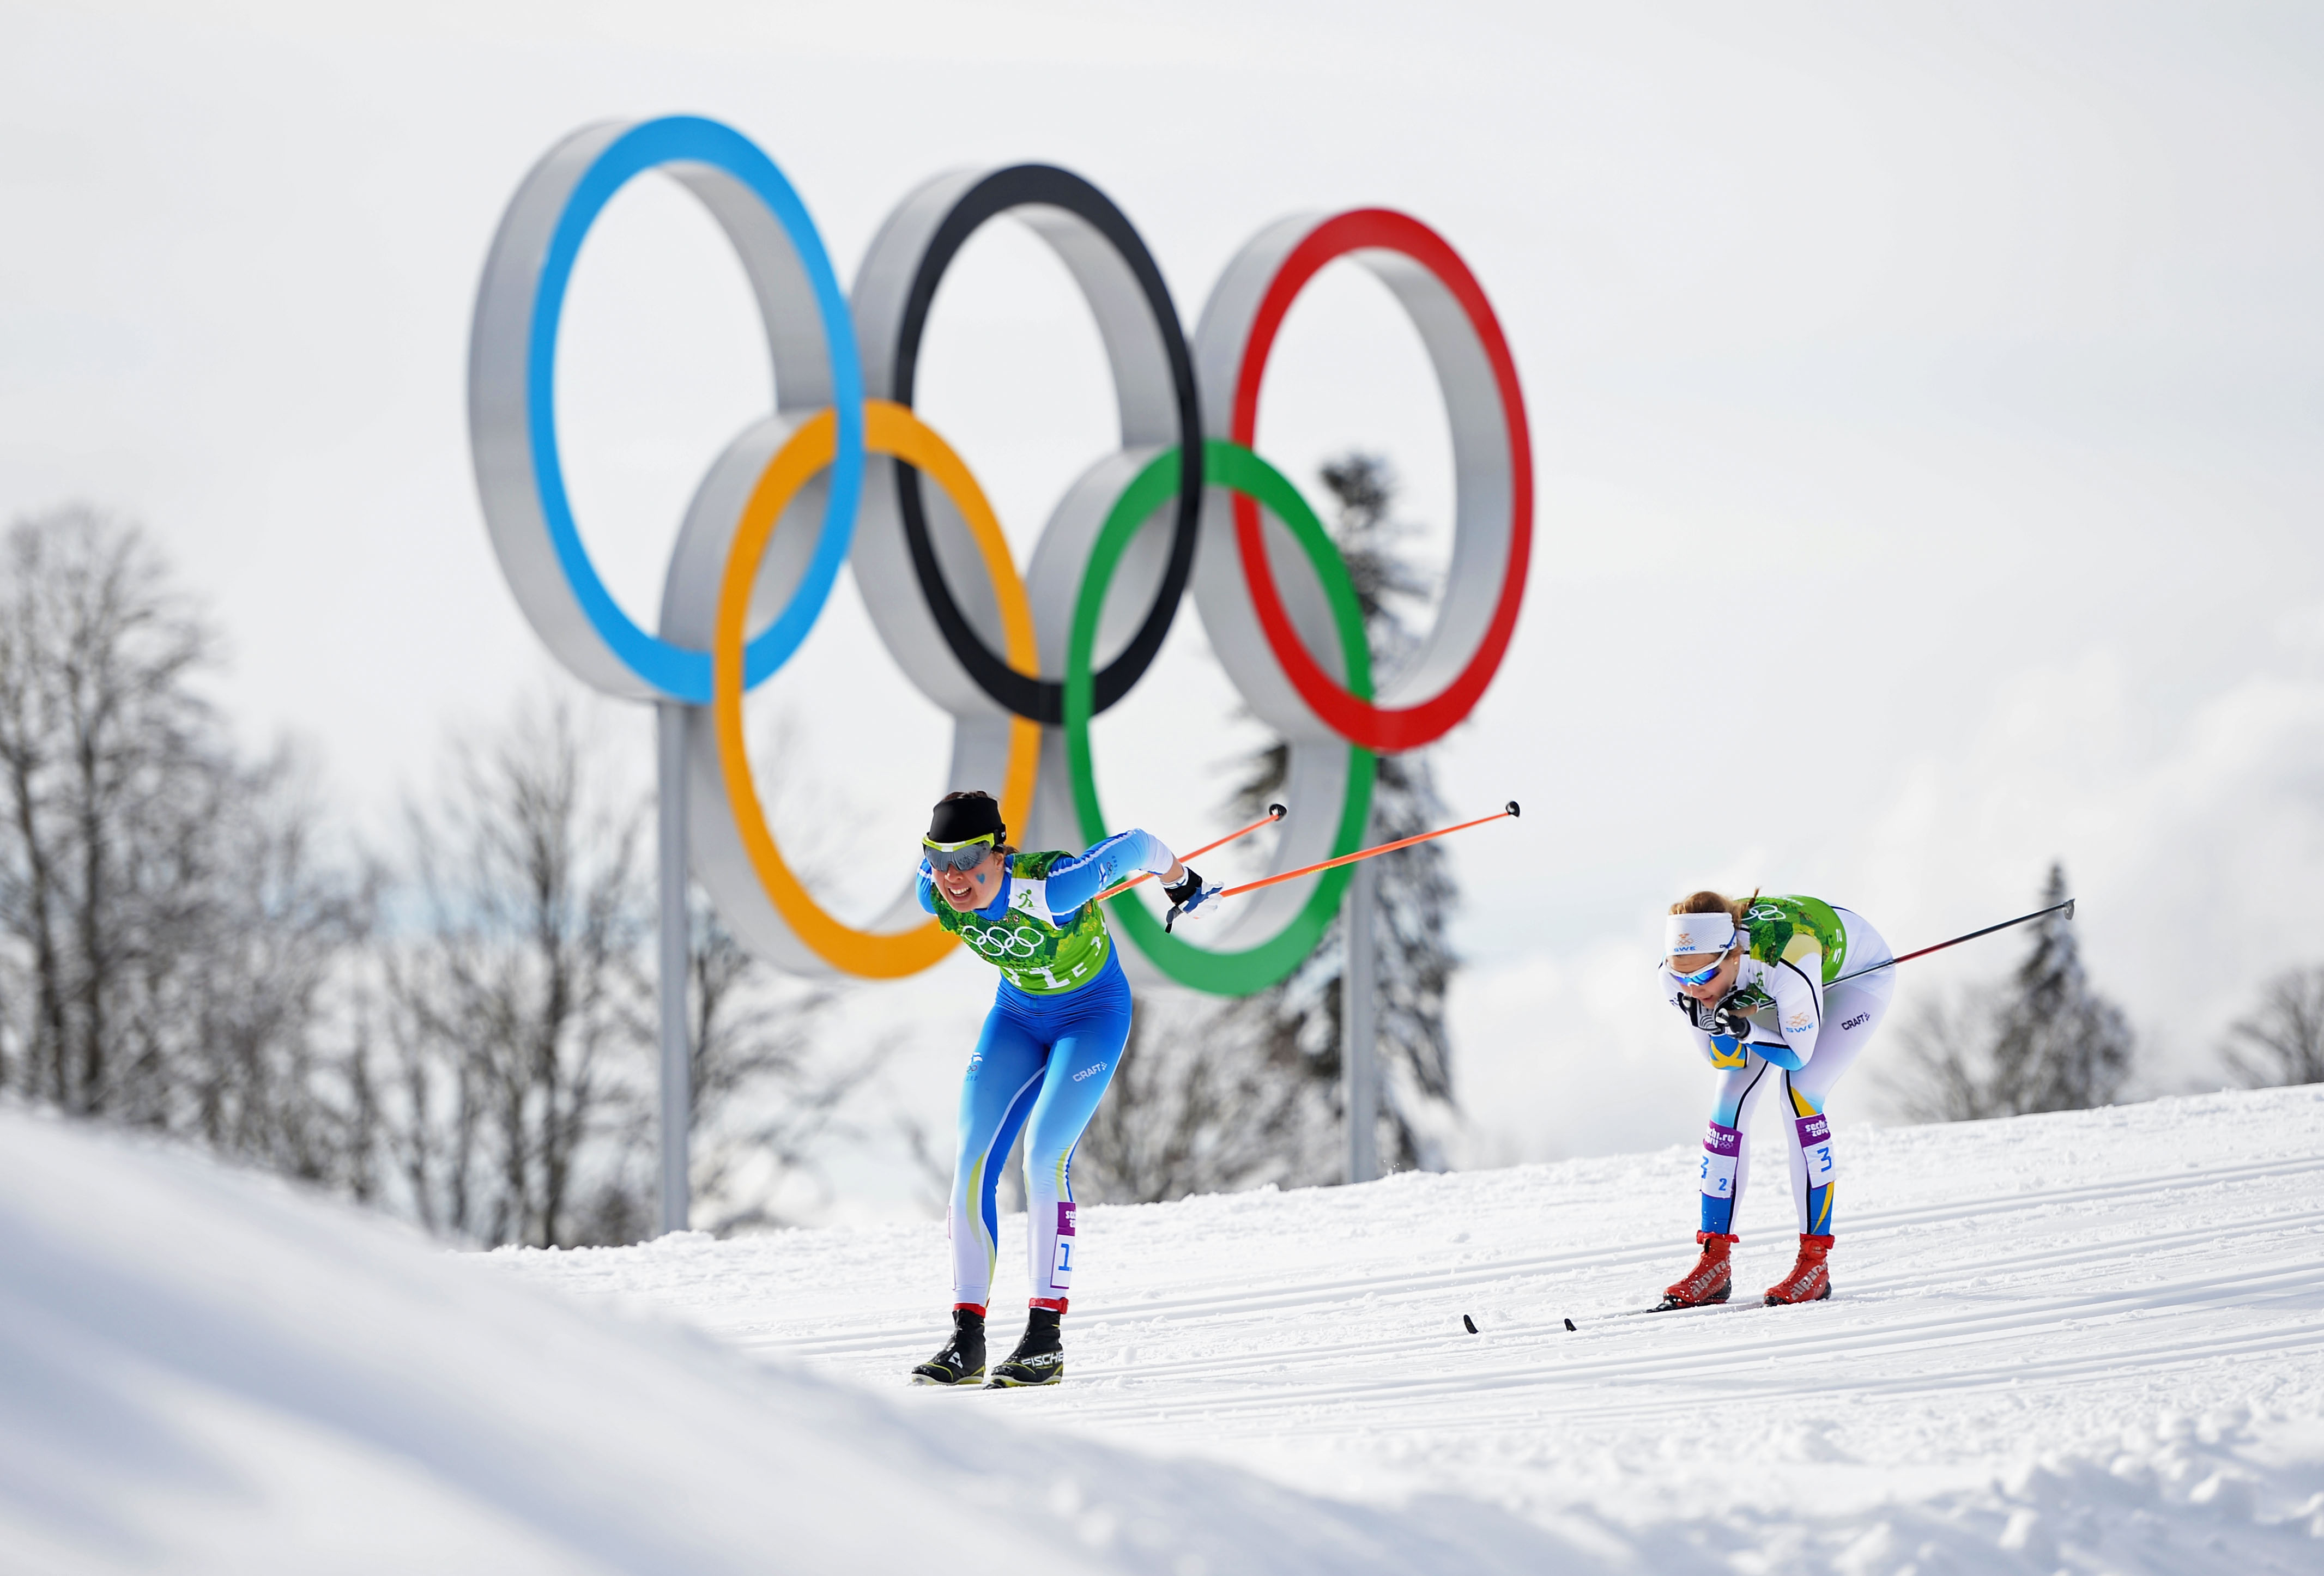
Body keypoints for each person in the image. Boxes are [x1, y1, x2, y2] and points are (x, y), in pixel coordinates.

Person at [908, 790, 1219, 1387]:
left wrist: (1183, 883)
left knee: (1044, 1158)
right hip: (1018, 1018)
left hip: (1092, 1017)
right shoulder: (933, 890)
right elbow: (936, 874)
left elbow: (1136, 846)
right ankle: (966, 1341)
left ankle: (1043, 1342)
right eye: (938, 860)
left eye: (968, 859)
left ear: (998, 852)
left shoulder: (1050, 890)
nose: (953, 878)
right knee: (971, 1158)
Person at [1657, 890, 1896, 1309]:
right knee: (1728, 1102)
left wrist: (1746, 1030)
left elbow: (1797, 1054)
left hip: (1852, 979)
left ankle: (1815, 1263)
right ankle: (1714, 1260)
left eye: (1702, 979)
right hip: (1760, 988)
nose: (1693, 991)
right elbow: (1724, 1063)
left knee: (1799, 1093)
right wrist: (1720, 1026)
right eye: (1683, 978)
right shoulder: (1680, 978)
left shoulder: (1787, 958)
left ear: (1732, 956)